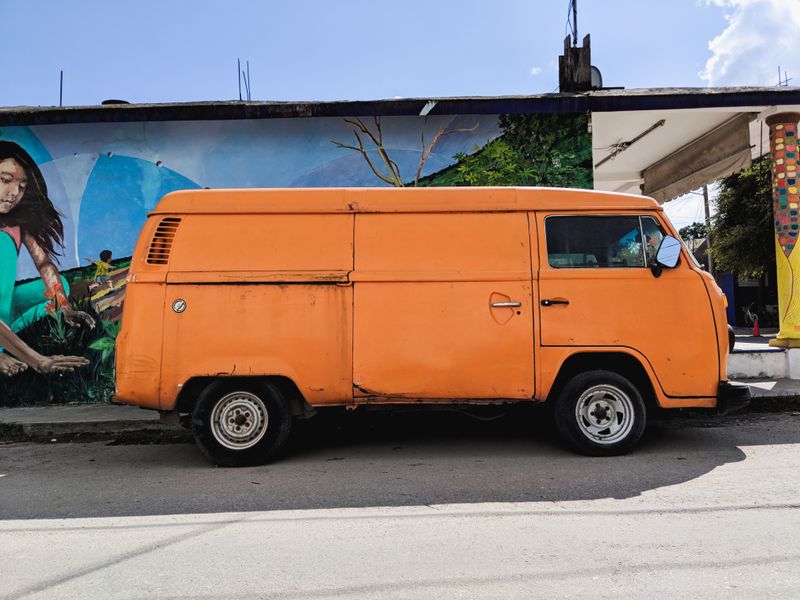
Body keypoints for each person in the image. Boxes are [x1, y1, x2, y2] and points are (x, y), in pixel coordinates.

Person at [0, 141, 94, 375]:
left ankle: (5, 337)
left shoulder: (16, 223)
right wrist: (39, 361)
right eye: (5, 180)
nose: (13, 194)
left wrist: (64, 307)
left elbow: (43, 263)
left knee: (58, 285)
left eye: (21, 187)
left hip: (4, 307)